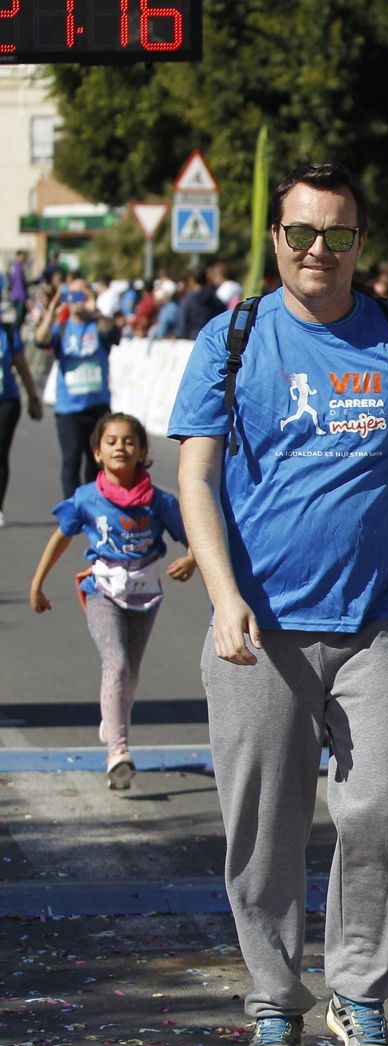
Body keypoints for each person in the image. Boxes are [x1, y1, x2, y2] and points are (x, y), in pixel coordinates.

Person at [168, 162, 388, 1046]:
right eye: (301, 233)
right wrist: (225, 599)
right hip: (259, 629)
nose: (318, 250)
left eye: (337, 235)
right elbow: (194, 474)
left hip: (380, 623)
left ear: (361, 242)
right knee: (262, 826)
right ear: (276, 240)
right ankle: (274, 1000)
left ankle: (358, 994)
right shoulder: (231, 340)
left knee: (383, 806)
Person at [28, 412, 195, 788]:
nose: (121, 447)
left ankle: (112, 716)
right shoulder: (87, 499)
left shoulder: (159, 501)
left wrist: (192, 558)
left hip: (145, 595)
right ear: (98, 453)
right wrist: (38, 584)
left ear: (143, 450)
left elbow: (194, 536)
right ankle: (118, 751)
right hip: (101, 591)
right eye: (112, 441)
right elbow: (61, 537)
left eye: (129, 441)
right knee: (116, 664)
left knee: (130, 674)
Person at [36, 277, 116, 500]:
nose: (78, 301)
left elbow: (114, 333)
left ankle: (95, 505)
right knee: (71, 460)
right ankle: (72, 509)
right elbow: (40, 340)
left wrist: (96, 310)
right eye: (73, 295)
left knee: (98, 461)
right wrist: (52, 311)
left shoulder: (98, 325)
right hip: (69, 409)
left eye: (83, 294)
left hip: (98, 407)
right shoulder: (61, 328)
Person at [0, 315, 41, 526]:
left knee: (0, 453)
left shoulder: (7, 331)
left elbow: (22, 366)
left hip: (6, 400)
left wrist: (33, 398)